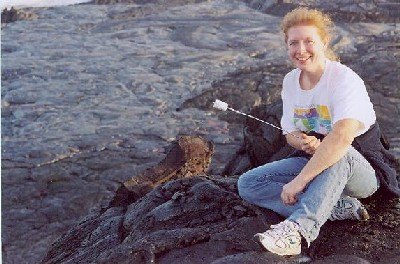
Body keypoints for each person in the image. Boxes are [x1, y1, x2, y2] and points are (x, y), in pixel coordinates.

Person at [237, 7, 400, 256]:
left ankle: (298, 231)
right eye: (294, 43)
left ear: (324, 42)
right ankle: (335, 207)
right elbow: (289, 131)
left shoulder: (345, 80)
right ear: (287, 46)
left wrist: (298, 182)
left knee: (339, 152)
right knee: (249, 183)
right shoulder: (291, 81)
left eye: (308, 41)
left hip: (361, 170)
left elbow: (342, 137)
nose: (301, 50)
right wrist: (300, 142)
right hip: (315, 163)